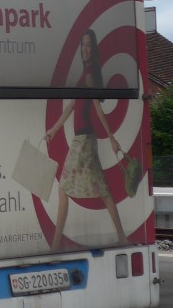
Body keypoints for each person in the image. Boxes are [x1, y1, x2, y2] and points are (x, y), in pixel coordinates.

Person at [44, 29, 129, 252]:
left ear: (94, 49)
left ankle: (55, 245)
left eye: (89, 45)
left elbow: (98, 109)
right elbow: (72, 106)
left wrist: (111, 137)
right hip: (85, 139)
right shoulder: (84, 75)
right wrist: (54, 129)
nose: (86, 49)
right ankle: (121, 237)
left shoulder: (90, 75)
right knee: (102, 189)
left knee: (64, 188)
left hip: (83, 141)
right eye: (83, 45)